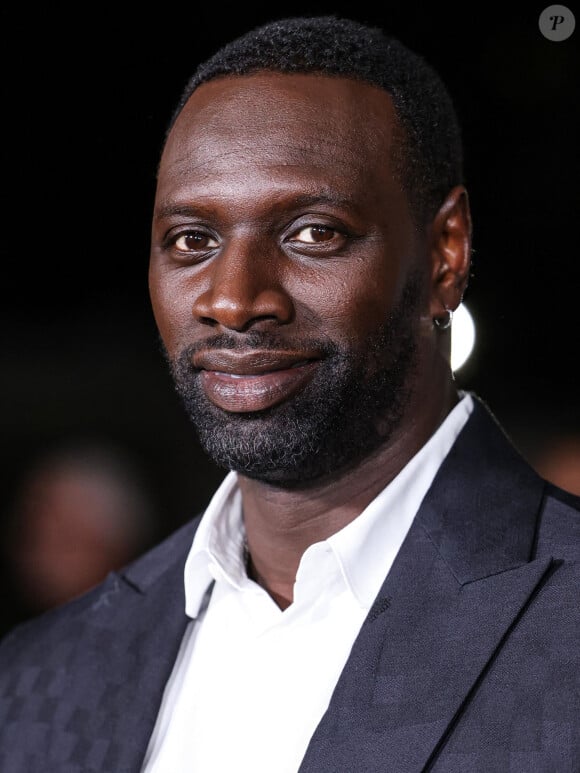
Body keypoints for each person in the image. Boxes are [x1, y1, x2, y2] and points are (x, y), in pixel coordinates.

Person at [1, 15, 579, 772]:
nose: (234, 300)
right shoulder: (40, 675)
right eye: (191, 241)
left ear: (446, 254)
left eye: (313, 233)